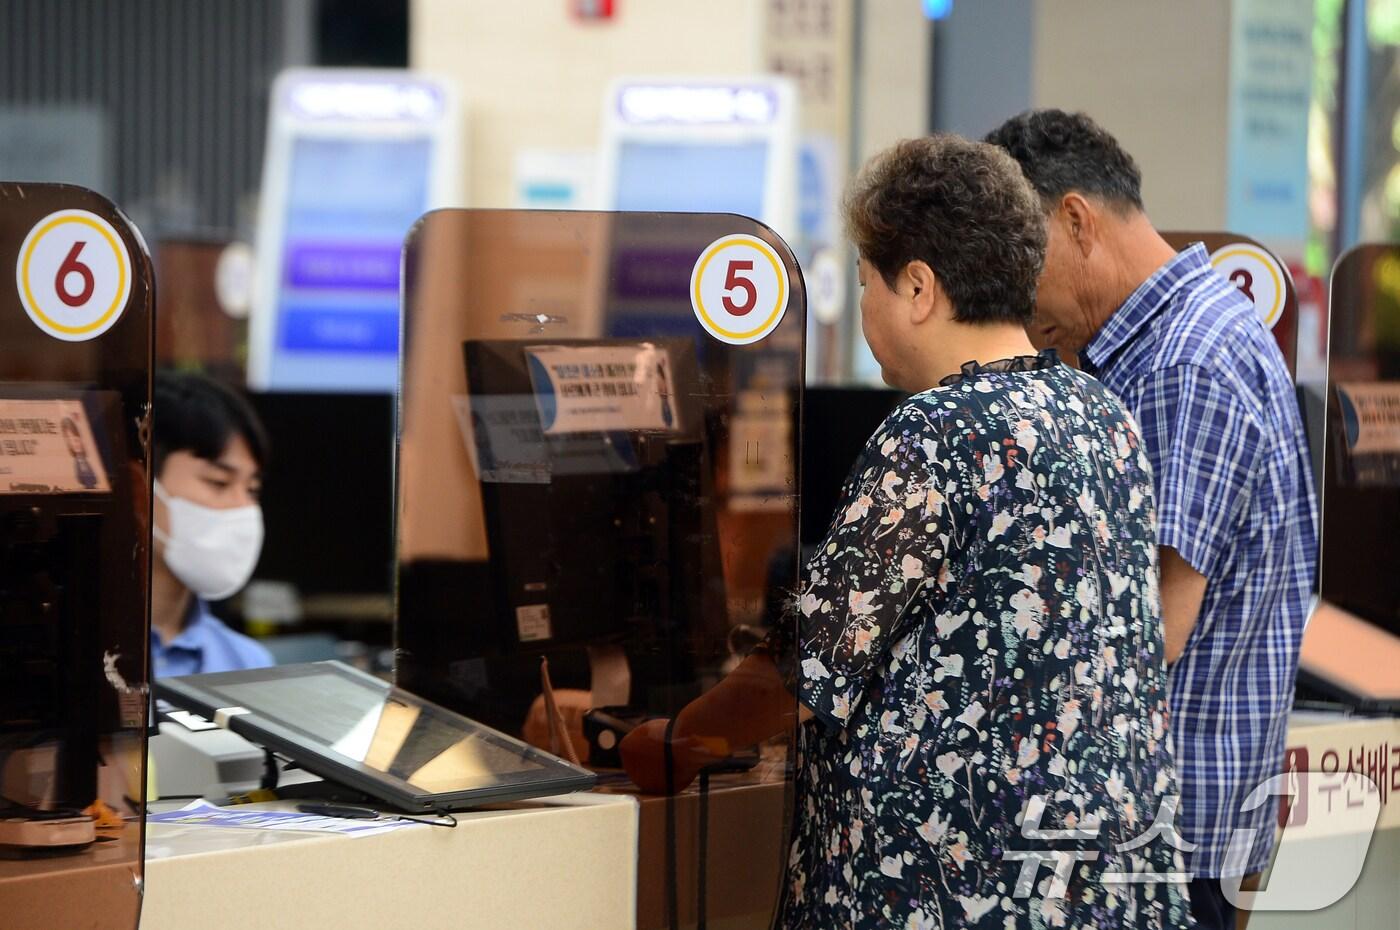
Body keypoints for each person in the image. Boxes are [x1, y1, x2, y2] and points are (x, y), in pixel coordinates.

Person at [622, 135, 1192, 929]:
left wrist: (677, 740)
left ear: (918, 287)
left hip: (949, 889)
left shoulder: (937, 433)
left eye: (865, 284)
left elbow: (806, 669)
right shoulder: (1101, 413)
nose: (862, 309)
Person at [986, 109, 1317, 929]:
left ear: (1075, 220)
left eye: (1023, 268)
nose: (1024, 314)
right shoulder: (1199, 333)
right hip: (1188, 830)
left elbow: (1149, 629)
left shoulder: (1180, 367)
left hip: (1160, 836)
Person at [150, 371, 273, 677]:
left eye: (252, 489)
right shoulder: (71, 657)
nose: (244, 507)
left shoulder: (248, 665)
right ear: (142, 486)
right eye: (219, 482)